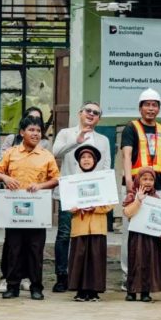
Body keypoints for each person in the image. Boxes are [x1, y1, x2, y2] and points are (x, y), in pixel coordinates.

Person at [0, 115, 60, 301]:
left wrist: (41, 186)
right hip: (14, 211)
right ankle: (12, 286)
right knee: (14, 249)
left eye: (38, 131)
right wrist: (6, 178)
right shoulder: (11, 153)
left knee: (35, 250)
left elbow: (56, 178)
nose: (35, 134)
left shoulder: (46, 155)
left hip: (37, 212)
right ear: (22, 133)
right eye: (31, 130)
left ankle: (36, 287)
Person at [51, 101, 111, 293]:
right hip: (70, 195)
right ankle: (62, 276)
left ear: (99, 118)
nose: (91, 114)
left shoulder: (102, 140)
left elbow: (106, 167)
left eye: (96, 113)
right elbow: (55, 153)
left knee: (88, 239)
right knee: (64, 235)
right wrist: (76, 141)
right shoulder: (66, 133)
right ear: (80, 113)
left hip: (93, 196)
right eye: (88, 111)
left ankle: (86, 278)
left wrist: (101, 195)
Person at [120, 88, 161, 287]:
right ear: (140, 108)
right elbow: (126, 156)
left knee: (153, 231)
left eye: (154, 105)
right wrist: (128, 183)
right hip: (136, 188)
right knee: (131, 232)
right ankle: (128, 277)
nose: (151, 109)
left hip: (157, 187)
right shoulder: (131, 128)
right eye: (147, 105)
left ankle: (150, 277)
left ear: (158, 108)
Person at [67, 145, 111, 302]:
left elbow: (110, 203)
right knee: (79, 256)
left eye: (89, 157)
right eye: (83, 158)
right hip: (80, 225)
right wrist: (74, 207)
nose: (86, 160)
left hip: (98, 225)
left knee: (95, 258)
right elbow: (68, 204)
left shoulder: (103, 180)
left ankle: (94, 291)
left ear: (95, 161)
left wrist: (96, 207)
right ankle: (80, 290)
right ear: (79, 161)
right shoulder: (72, 181)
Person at [123, 167, 161, 302]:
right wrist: (138, 201)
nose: (148, 182)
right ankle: (132, 291)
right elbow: (128, 213)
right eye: (144, 179)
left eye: (151, 179)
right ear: (138, 180)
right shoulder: (132, 195)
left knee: (148, 262)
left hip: (151, 237)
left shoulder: (156, 197)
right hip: (137, 236)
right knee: (135, 261)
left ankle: (146, 292)